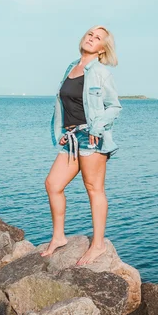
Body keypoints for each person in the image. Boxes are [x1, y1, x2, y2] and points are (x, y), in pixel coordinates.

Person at [41, 25, 122, 265]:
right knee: (53, 184)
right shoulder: (71, 67)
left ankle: (97, 245)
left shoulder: (100, 73)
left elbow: (115, 106)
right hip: (71, 138)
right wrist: (62, 133)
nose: (92, 39)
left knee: (94, 189)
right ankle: (58, 237)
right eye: (90, 34)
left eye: (98, 38)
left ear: (102, 49)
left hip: (92, 137)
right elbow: (65, 105)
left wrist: (97, 128)